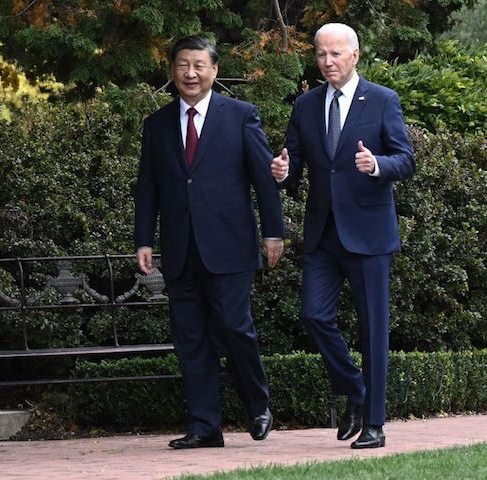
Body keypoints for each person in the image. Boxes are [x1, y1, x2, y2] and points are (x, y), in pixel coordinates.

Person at [135, 35, 285, 449]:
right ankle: (205, 427)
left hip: (232, 246)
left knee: (236, 327)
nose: (191, 73)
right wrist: (143, 239)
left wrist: (274, 231)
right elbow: (148, 187)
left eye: (199, 65)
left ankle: (258, 404)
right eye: (183, 65)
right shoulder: (157, 125)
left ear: (214, 71)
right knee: (191, 339)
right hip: (181, 250)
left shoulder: (241, 116)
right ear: (172, 71)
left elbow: (263, 178)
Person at [271, 23, 415, 449]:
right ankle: (355, 387)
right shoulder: (305, 105)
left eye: (336, 54)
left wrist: (376, 166)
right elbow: (293, 162)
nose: (328, 62)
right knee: (314, 315)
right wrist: (283, 172)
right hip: (323, 233)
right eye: (321, 54)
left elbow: (404, 159)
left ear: (355, 55)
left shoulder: (383, 100)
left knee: (373, 329)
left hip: (369, 232)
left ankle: (375, 424)